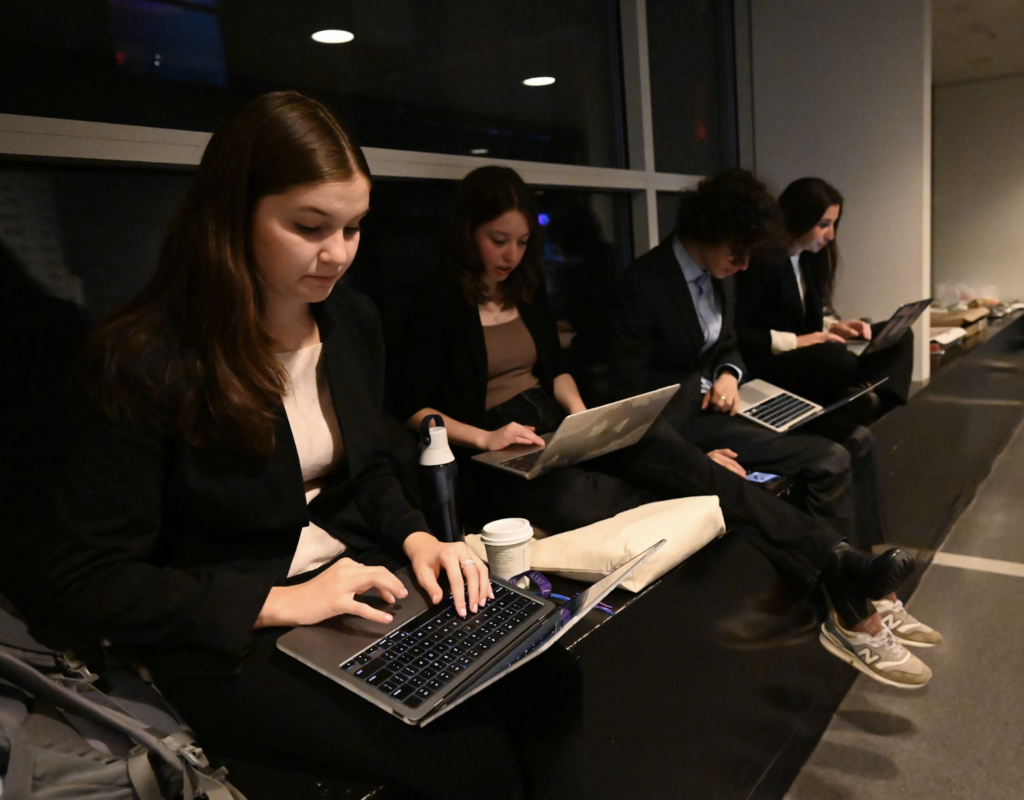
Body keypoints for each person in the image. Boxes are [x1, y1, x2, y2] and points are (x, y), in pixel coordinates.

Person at [21, 92, 579, 800]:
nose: (338, 255)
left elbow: (369, 466)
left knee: (549, 679)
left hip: (353, 582)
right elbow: (83, 582)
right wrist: (282, 601)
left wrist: (417, 539)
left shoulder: (350, 320)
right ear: (234, 214)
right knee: (467, 756)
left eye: (353, 229)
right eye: (310, 227)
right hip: (234, 626)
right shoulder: (147, 358)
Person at [399, 165, 937, 687]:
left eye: (521, 243)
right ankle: (840, 571)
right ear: (467, 231)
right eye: (499, 241)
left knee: (697, 473)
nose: (512, 255)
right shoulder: (434, 302)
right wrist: (486, 437)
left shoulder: (523, 291)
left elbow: (556, 370)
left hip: (554, 424)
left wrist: (585, 417)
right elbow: (411, 404)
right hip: (490, 445)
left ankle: (842, 567)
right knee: (615, 494)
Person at [735, 177, 914, 411]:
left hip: (808, 353)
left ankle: (875, 398)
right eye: (823, 224)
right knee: (835, 358)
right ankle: (857, 396)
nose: (830, 235)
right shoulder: (760, 263)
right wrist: (797, 341)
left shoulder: (809, 261)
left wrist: (833, 327)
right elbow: (739, 333)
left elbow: (805, 319)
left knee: (899, 332)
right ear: (799, 219)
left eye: (833, 225)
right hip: (771, 361)